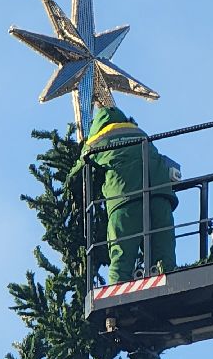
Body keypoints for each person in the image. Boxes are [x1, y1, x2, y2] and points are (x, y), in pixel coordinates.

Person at [73, 105, 178, 283]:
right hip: (161, 196)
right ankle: (169, 283)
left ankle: (115, 302)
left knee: (121, 255)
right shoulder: (142, 135)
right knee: (163, 254)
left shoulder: (97, 141)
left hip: (124, 200)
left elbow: (78, 174)